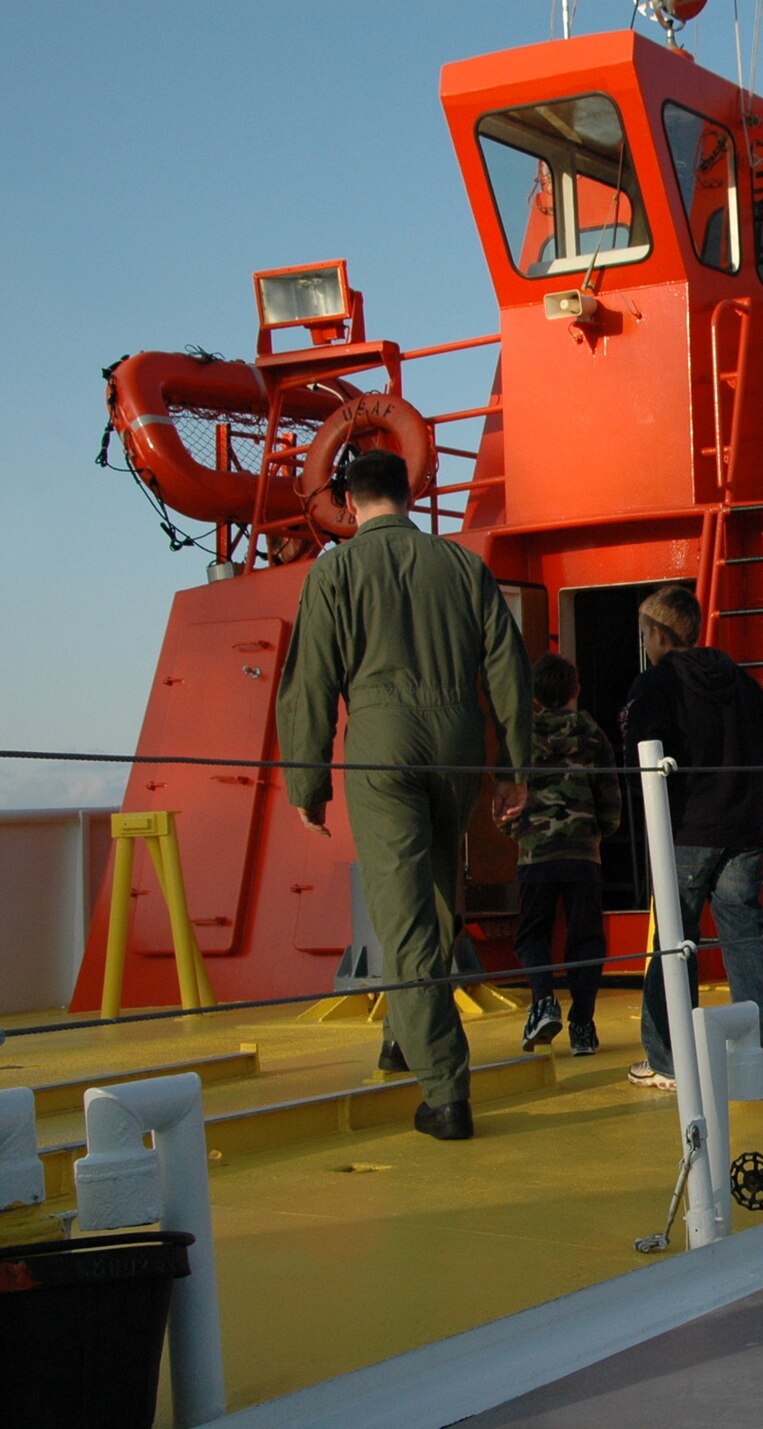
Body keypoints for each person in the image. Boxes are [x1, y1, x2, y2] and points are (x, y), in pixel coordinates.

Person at [277, 449, 532, 1142]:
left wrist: (307, 782)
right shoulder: (460, 566)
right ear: (411, 494)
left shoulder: (334, 572)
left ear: (350, 504)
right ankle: (403, 1035)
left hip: (382, 746)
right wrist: (513, 765)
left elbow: (309, 683)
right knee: (441, 895)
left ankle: (446, 1089)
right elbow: (509, 668)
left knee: (405, 915)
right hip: (457, 742)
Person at [621, 584, 763, 1097]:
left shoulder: (655, 684)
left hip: (685, 829)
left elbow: (638, 752)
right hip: (742, 828)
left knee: (674, 943)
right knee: (746, 933)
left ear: (659, 634)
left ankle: (668, 1059)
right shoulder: (736, 678)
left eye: (645, 634)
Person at [501, 653, 621, 1057]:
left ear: (534, 696)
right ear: (575, 690)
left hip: (535, 856)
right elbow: (610, 796)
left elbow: (505, 797)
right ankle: (583, 1026)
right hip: (583, 855)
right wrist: (600, 831)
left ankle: (543, 1001)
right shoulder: (592, 733)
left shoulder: (521, 734)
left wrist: (511, 830)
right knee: (585, 940)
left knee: (532, 935)